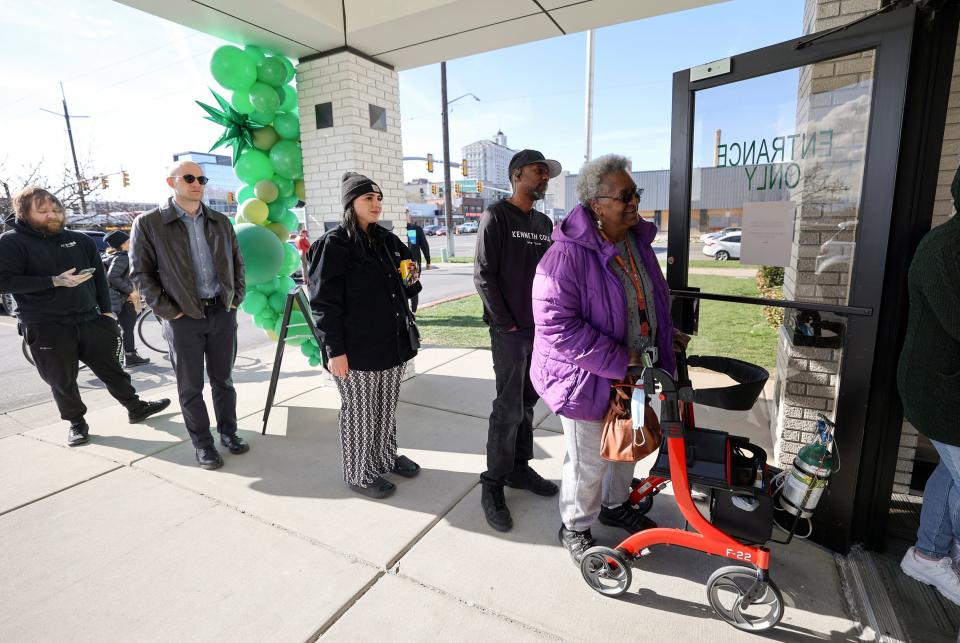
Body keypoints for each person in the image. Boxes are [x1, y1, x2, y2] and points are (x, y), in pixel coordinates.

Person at [531, 154, 687, 563]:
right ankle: (575, 526)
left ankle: (616, 506)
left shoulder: (635, 241)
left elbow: (647, 299)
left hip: (633, 371)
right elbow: (557, 326)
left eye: (636, 193)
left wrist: (664, 337)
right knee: (589, 462)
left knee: (626, 444)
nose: (634, 202)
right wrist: (623, 358)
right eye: (625, 196)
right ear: (597, 203)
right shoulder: (566, 255)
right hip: (585, 377)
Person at [0, 187, 169, 446]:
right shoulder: (11, 242)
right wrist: (53, 281)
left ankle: (136, 407)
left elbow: (100, 278)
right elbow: (5, 281)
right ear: (23, 214)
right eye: (43, 211)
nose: (52, 216)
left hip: (91, 320)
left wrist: (108, 313)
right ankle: (76, 423)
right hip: (46, 325)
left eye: (56, 210)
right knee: (62, 379)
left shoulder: (80, 240)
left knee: (113, 370)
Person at [308, 172, 422, 499]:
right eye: (368, 198)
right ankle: (359, 472)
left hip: (392, 343)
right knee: (360, 412)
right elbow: (324, 304)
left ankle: (384, 457)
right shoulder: (333, 244)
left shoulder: (385, 239)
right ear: (351, 204)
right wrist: (334, 351)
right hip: (355, 349)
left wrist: (409, 272)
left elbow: (409, 273)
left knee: (386, 408)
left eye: (378, 198)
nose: (376, 204)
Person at [129, 161, 248, 470]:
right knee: (190, 386)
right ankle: (203, 444)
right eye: (189, 177)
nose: (197, 183)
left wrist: (236, 298)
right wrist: (170, 311)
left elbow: (238, 263)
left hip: (222, 312)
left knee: (224, 380)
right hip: (182, 319)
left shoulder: (220, 221)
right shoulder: (150, 223)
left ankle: (229, 433)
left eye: (202, 178)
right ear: (172, 182)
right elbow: (141, 273)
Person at [474, 149, 562, 532]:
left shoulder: (544, 222)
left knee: (527, 403)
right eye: (538, 172)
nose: (544, 178)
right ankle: (493, 482)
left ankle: (519, 469)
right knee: (507, 407)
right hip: (510, 333)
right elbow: (483, 275)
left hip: (540, 331)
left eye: (547, 174)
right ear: (517, 175)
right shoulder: (497, 216)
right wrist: (506, 324)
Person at [897, 165, 960, 606]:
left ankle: (929, 554)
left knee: (951, 472)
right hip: (939, 392)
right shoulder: (942, 251)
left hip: (948, 390)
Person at [103, 230, 150, 368]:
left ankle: (127, 355)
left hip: (117, 298)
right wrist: (131, 291)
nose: (131, 243)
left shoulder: (111, 256)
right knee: (127, 328)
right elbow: (112, 276)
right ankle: (130, 357)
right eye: (128, 241)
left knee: (123, 328)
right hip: (124, 299)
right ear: (123, 244)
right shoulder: (123, 257)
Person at [405, 212, 431, 312]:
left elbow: (424, 246)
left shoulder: (415, 229)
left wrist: (428, 260)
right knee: (407, 288)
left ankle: (413, 311)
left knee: (411, 287)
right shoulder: (411, 229)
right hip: (405, 263)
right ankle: (409, 312)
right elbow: (424, 245)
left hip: (412, 263)